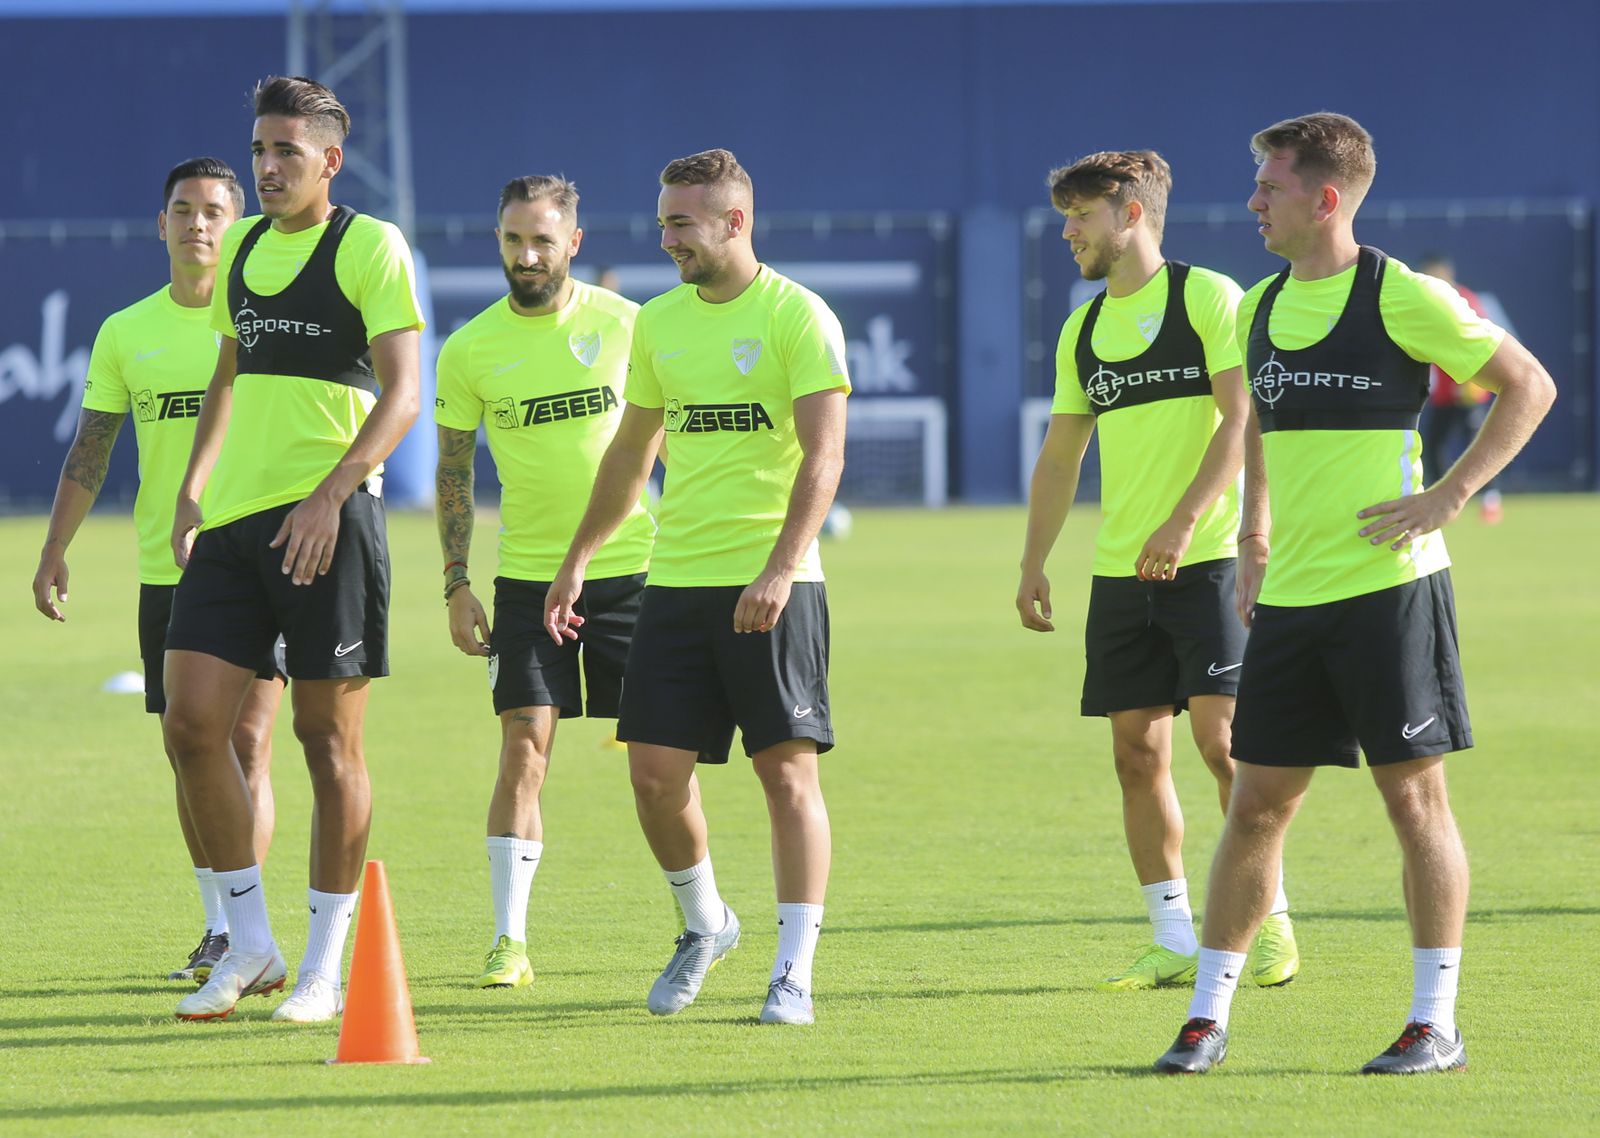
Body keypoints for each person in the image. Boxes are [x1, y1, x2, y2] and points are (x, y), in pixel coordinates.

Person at [1154, 113, 1555, 1076]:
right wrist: (1253, 535)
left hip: (1392, 595)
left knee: (1415, 803)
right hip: (1290, 599)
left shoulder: (1404, 296)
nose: (1252, 202)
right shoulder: (1255, 307)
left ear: (1325, 198)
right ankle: (1208, 1018)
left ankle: (1434, 1023)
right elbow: (1255, 426)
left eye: (1270, 187)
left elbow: (1525, 384)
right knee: (1255, 807)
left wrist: (1450, 494)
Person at [546, 149, 849, 1026]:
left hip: (774, 583)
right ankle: (706, 923)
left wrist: (783, 566)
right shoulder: (660, 324)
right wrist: (577, 560)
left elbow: (825, 455)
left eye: (682, 222)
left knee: (787, 779)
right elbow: (630, 455)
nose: (668, 237)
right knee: (653, 776)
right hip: (672, 581)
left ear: (735, 221)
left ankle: (794, 973)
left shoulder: (798, 317)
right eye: (663, 222)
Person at [162, 76, 424, 1023]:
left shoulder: (370, 246)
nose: (268, 168)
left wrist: (331, 493)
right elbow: (228, 370)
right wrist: (196, 484)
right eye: (261, 151)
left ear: (330, 160)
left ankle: (323, 965)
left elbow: (403, 396)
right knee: (191, 727)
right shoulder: (238, 246)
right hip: (234, 526)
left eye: (286, 153)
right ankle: (251, 943)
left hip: (330, 523)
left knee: (326, 744)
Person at [1016, 150, 1299, 992]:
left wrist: (1183, 523)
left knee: (1225, 747)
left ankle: (1271, 918)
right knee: (1136, 755)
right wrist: (1033, 561)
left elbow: (1239, 418)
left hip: (1207, 559)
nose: (1068, 231)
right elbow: (1062, 453)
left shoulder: (1207, 296)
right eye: (1065, 215)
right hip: (1119, 574)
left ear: (1131, 213)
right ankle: (1173, 934)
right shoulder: (1081, 328)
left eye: (1082, 214)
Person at [31, 157, 284, 986]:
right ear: (161, 224)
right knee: (191, 747)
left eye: (215, 210)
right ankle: (221, 926)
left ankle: (253, 928)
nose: (198, 224)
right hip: (164, 570)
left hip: (257, 560)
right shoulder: (124, 330)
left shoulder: (265, 321)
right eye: (183, 210)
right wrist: (55, 546)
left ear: (237, 223)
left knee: (249, 741)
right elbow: (93, 447)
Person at [433, 175, 655, 989]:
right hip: (525, 584)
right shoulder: (468, 350)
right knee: (524, 750)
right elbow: (452, 472)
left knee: (659, 762)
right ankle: (510, 941)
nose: (526, 256)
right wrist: (457, 583)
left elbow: (672, 444)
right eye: (512, 240)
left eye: (541, 240)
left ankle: (696, 921)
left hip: (634, 573)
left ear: (574, 244)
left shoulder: (631, 325)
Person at [1418, 254, 1502, 523]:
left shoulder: (1464, 298)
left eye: (1435, 271)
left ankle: (1490, 500)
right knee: (1433, 445)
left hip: (1469, 392)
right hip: (1443, 395)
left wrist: (1469, 384)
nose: (1432, 276)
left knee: (1478, 444)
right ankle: (1441, 496)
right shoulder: (1424, 297)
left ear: (1446, 271)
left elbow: (1482, 343)